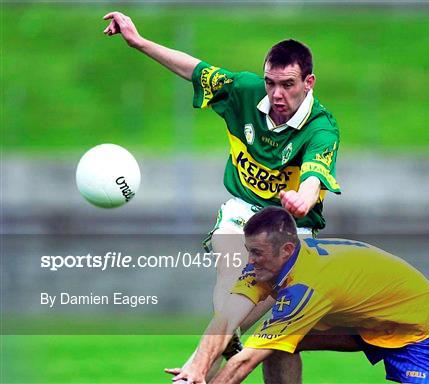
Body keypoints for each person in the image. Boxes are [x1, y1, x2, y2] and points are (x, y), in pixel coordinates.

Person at [102, 11, 341, 376]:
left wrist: (302, 200)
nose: (276, 94)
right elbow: (194, 69)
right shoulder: (245, 90)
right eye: (270, 83)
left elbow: (312, 181)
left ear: (309, 82)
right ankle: (197, 368)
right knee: (233, 301)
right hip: (242, 214)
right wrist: (139, 42)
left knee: (275, 341)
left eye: (288, 84)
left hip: (291, 233)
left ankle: (205, 361)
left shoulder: (322, 129)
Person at [164, 206, 429, 384]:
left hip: (418, 328)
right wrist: (197, 370)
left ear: (286, 250)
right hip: (360, 320)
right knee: (277, 346)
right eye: (247, 250)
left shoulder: (306, 288)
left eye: (257, 253)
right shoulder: (269, 266)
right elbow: (226, 319)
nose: (249, 261)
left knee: (267, 344)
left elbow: (244, 361)